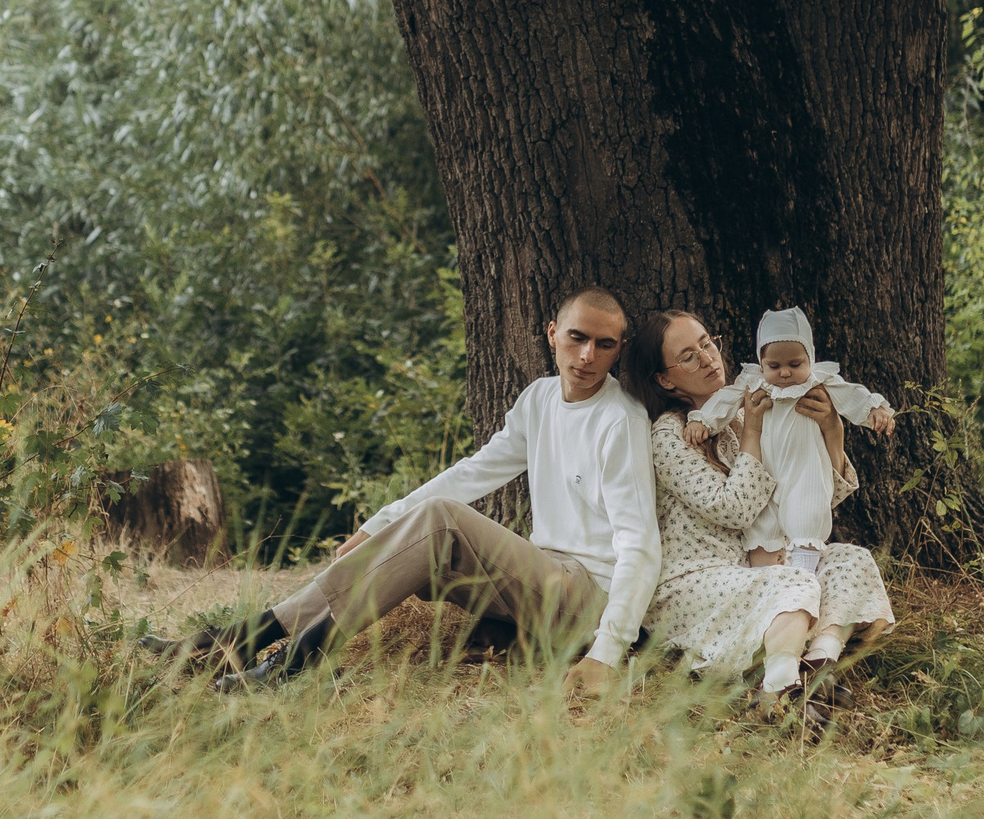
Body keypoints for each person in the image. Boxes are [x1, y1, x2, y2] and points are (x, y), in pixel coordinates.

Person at [146, 287, 660, 703]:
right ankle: (246, 641)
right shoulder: (540, 399)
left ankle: (291, 659)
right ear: (552, 334)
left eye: (605, 345)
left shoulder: (620, 421)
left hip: (585, 599)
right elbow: (473, 473)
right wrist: (379, 524)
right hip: (536, 583)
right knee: (424, 534)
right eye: (577, 338)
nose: (588, 356)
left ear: (619, 348)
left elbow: (640, 545)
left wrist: (606, 652)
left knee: (441, 520)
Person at [619, 309, 895, 715]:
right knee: (794, 582)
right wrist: (752, 432)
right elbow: (736, 510)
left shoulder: (756, 405)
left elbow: (814, 499)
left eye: (707, 344)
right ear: (665, 380)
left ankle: (818, 664)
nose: (708, 358)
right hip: (697, 582)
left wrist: (832, 432)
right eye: (689, 356)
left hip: (761, 567)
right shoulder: (671, 435)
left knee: (851, 560)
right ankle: (777, 690)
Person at [688, 305, 888, 573]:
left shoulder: (818, 382)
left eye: (795, 364)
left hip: (804, 468)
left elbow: (852, 395)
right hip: (765, 472)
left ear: (810, 359)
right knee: (763, 523)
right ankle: (767, 579)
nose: (784, 373)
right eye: (774, 366)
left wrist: (874, 410)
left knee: (807, 511)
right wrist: (703, 420)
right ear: (761, 363)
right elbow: (724, 400)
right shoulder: (754, 383)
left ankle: (805, 573)